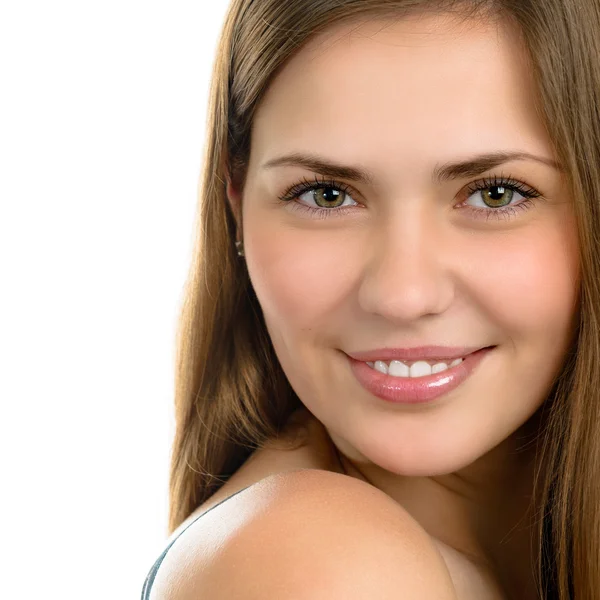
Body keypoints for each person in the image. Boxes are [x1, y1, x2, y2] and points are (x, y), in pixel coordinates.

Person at [141, 0, 600, 598]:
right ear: (236, 205)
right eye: (326, 195)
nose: (402, 295)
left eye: (494, 193)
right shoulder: (319, 564)